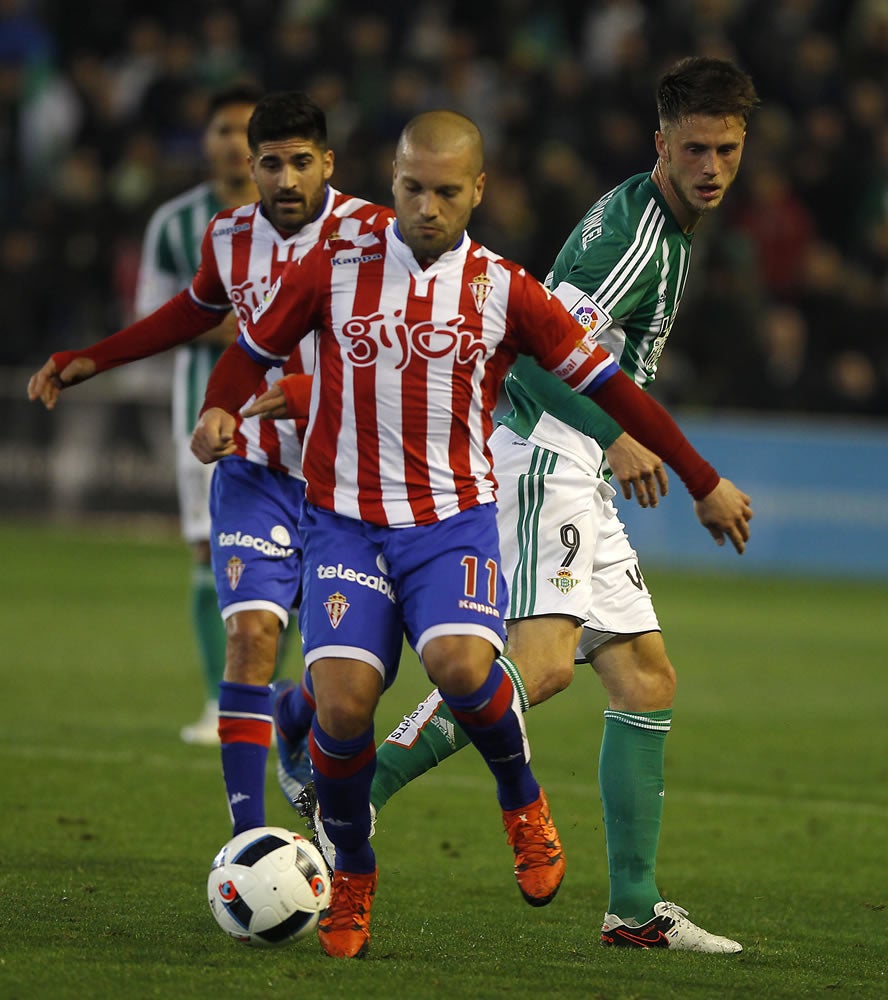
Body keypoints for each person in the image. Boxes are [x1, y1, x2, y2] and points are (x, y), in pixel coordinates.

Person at [191, 109, 751, 960]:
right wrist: (220, 408)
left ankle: (630, 906)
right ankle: (363, 807)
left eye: (728, 150)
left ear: (476, 192)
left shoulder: (500, 279)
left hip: (490, 498)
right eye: (413, 188)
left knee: (641, 676)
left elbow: (543, 357)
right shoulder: (626, 234)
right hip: (531, 467)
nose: (712, 166)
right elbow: (532, 368)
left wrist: (695, 472)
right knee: (509, 670)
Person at [27, 91, 394, 837]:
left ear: (327, 162)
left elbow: (402, 350)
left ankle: (295, 715)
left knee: (341, 689)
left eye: (301, 163)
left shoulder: (377, 235)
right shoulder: (228, 236)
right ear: (250, 169)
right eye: (271, 165)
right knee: (252, 636)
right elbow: (190, 313)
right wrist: (87, 359)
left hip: (350, 479)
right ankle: (249, 842)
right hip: (255, 473)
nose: (286, 180)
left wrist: (303, 390)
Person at [135, 82, 262, 745]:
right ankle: (222, 703)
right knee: (207, 550)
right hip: (202, 407)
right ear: (206, 140)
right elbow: (153, 318)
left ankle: (259, 693)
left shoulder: (303, 219)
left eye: (246, 130)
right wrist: (238, 325)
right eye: (221, 129)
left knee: (288, 557)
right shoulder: (176, 222)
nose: (233, 143)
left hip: (293, 411)